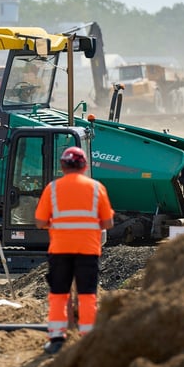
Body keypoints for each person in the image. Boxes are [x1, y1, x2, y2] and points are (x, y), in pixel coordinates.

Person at [34, 146, 114, 354]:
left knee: (59, 294)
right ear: (85, 166)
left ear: (62, 166)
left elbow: (40, 221)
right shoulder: (97, 188)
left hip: (60, 249)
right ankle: (88, 338)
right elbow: (108, 222)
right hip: (88, 249)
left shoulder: (52, 189)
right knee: (87, 295)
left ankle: (57, 339)